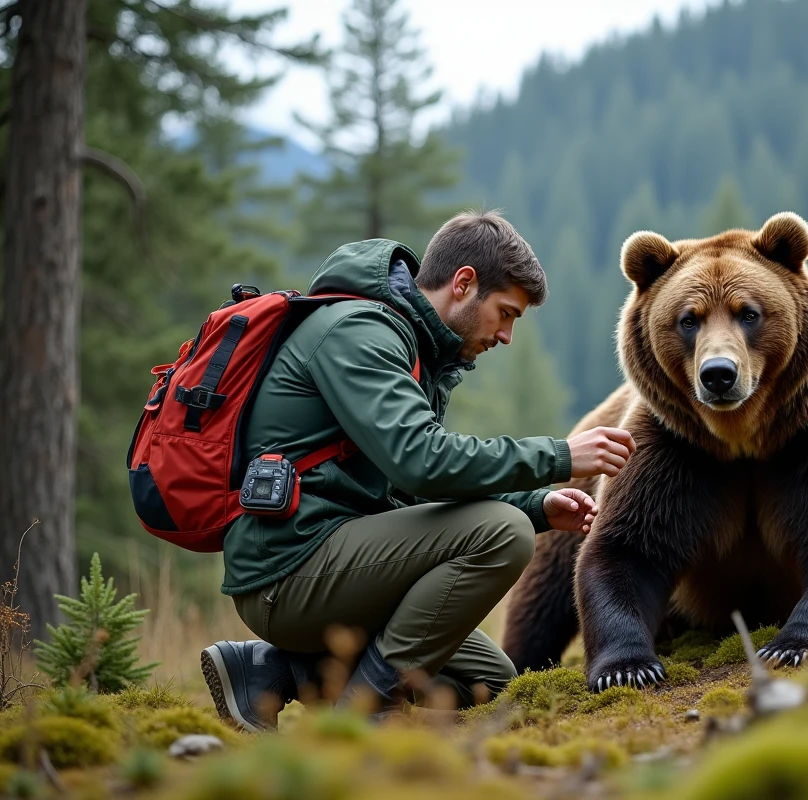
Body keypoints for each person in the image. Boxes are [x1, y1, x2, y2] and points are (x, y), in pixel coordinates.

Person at [200, 210, 635, 732]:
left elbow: (406, 489)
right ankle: (364, 713)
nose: (506, 336)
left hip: (340, 564)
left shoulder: (417, 351)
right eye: (505, 313)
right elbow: (423, 463)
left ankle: (273, 670)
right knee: (503, 536)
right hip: (288, 573)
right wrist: (561, 457)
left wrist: (537, 505)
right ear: (464, 283)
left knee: (487, 679)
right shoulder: (359, 333)